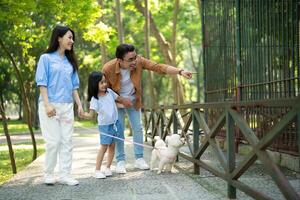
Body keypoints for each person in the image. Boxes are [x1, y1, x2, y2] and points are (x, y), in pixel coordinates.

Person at [102, 43, 193, 174]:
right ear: (120, 60)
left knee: (138, 128)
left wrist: (180, 71)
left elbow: (158, 67)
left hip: (134, 101)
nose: (134, 61)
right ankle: (121, 161)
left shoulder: (139, 61)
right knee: (119, 130)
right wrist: (121, 100)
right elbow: (105, 89)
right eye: (130, 59)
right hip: (116, 102)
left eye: (135, 57)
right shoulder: (108, 68)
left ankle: (139, 158)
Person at [35, 25, 84, 186]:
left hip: (67, 106)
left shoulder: (70, 62)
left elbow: (74, 86)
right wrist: (47, 105)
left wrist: (79, 106)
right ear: (59, 38)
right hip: (50, 105)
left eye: (72, 37)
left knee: (67, 141)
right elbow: (42, 83)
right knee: (53, 141)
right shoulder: (46, 58)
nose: (72, 40)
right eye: (69, 37)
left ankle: (65, 175)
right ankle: (48, 173)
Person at [80, 72, 131, 178]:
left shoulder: (110, 92)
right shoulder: (95, 99)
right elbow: (91, 114)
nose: (104, 84)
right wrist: (84, 115)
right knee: (104, 147)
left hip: (115, 124)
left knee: (112, 146)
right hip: (105, 126)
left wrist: (127, 103)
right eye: (101, 82)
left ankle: (108, 168)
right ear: (95, 84)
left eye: (105, 81)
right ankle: (97, 170)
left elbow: (119, 99)